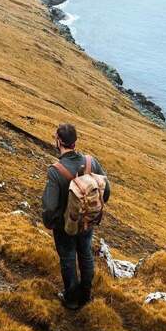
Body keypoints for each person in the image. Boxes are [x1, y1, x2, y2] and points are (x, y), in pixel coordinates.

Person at [41, 123, 110, 310]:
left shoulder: (56, 171)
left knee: (68, 258)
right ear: (75, 142)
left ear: (59, 141)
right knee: (86, 254)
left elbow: (50, 206)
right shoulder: (91, 162)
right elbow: (107, 189)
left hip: (66, 226)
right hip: (87, 221)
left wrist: (50, 223)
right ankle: (86, 295)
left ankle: (71, 299)